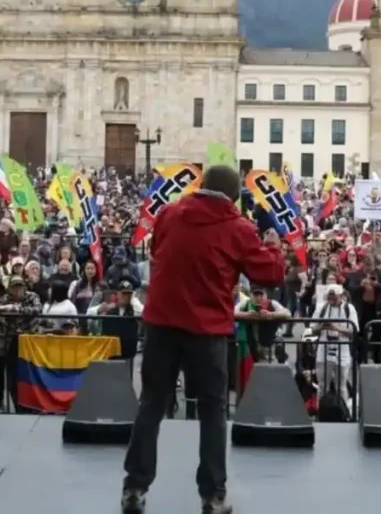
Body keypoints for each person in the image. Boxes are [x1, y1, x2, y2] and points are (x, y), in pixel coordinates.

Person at [121, 165, 285, 514]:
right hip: (206, 331)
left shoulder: (169, 213)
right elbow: (270, 273)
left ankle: (134, 488)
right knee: (212, 411)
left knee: (151, 403)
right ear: (233, 196)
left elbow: (159, 250)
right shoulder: (237, 228)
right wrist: (273, 246)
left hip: (161, 324)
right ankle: (212, 495)